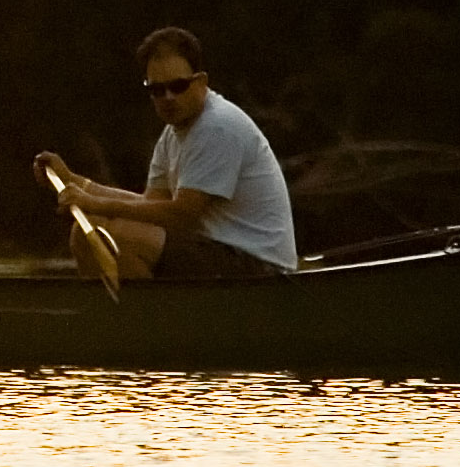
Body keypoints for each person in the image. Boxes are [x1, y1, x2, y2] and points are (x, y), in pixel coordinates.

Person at [35, 27, 298, 279]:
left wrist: (95, 203)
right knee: (87, 232)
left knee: (116, 234)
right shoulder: (173, 132)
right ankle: (121, 319)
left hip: (260, 268)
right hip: (216, 252)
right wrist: (75, 182)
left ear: (201, 82)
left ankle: (146, 321)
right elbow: (149, 204)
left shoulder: (217, 127)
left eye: (178, 86)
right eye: (157, 90)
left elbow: (180, 216)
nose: (168, 97)